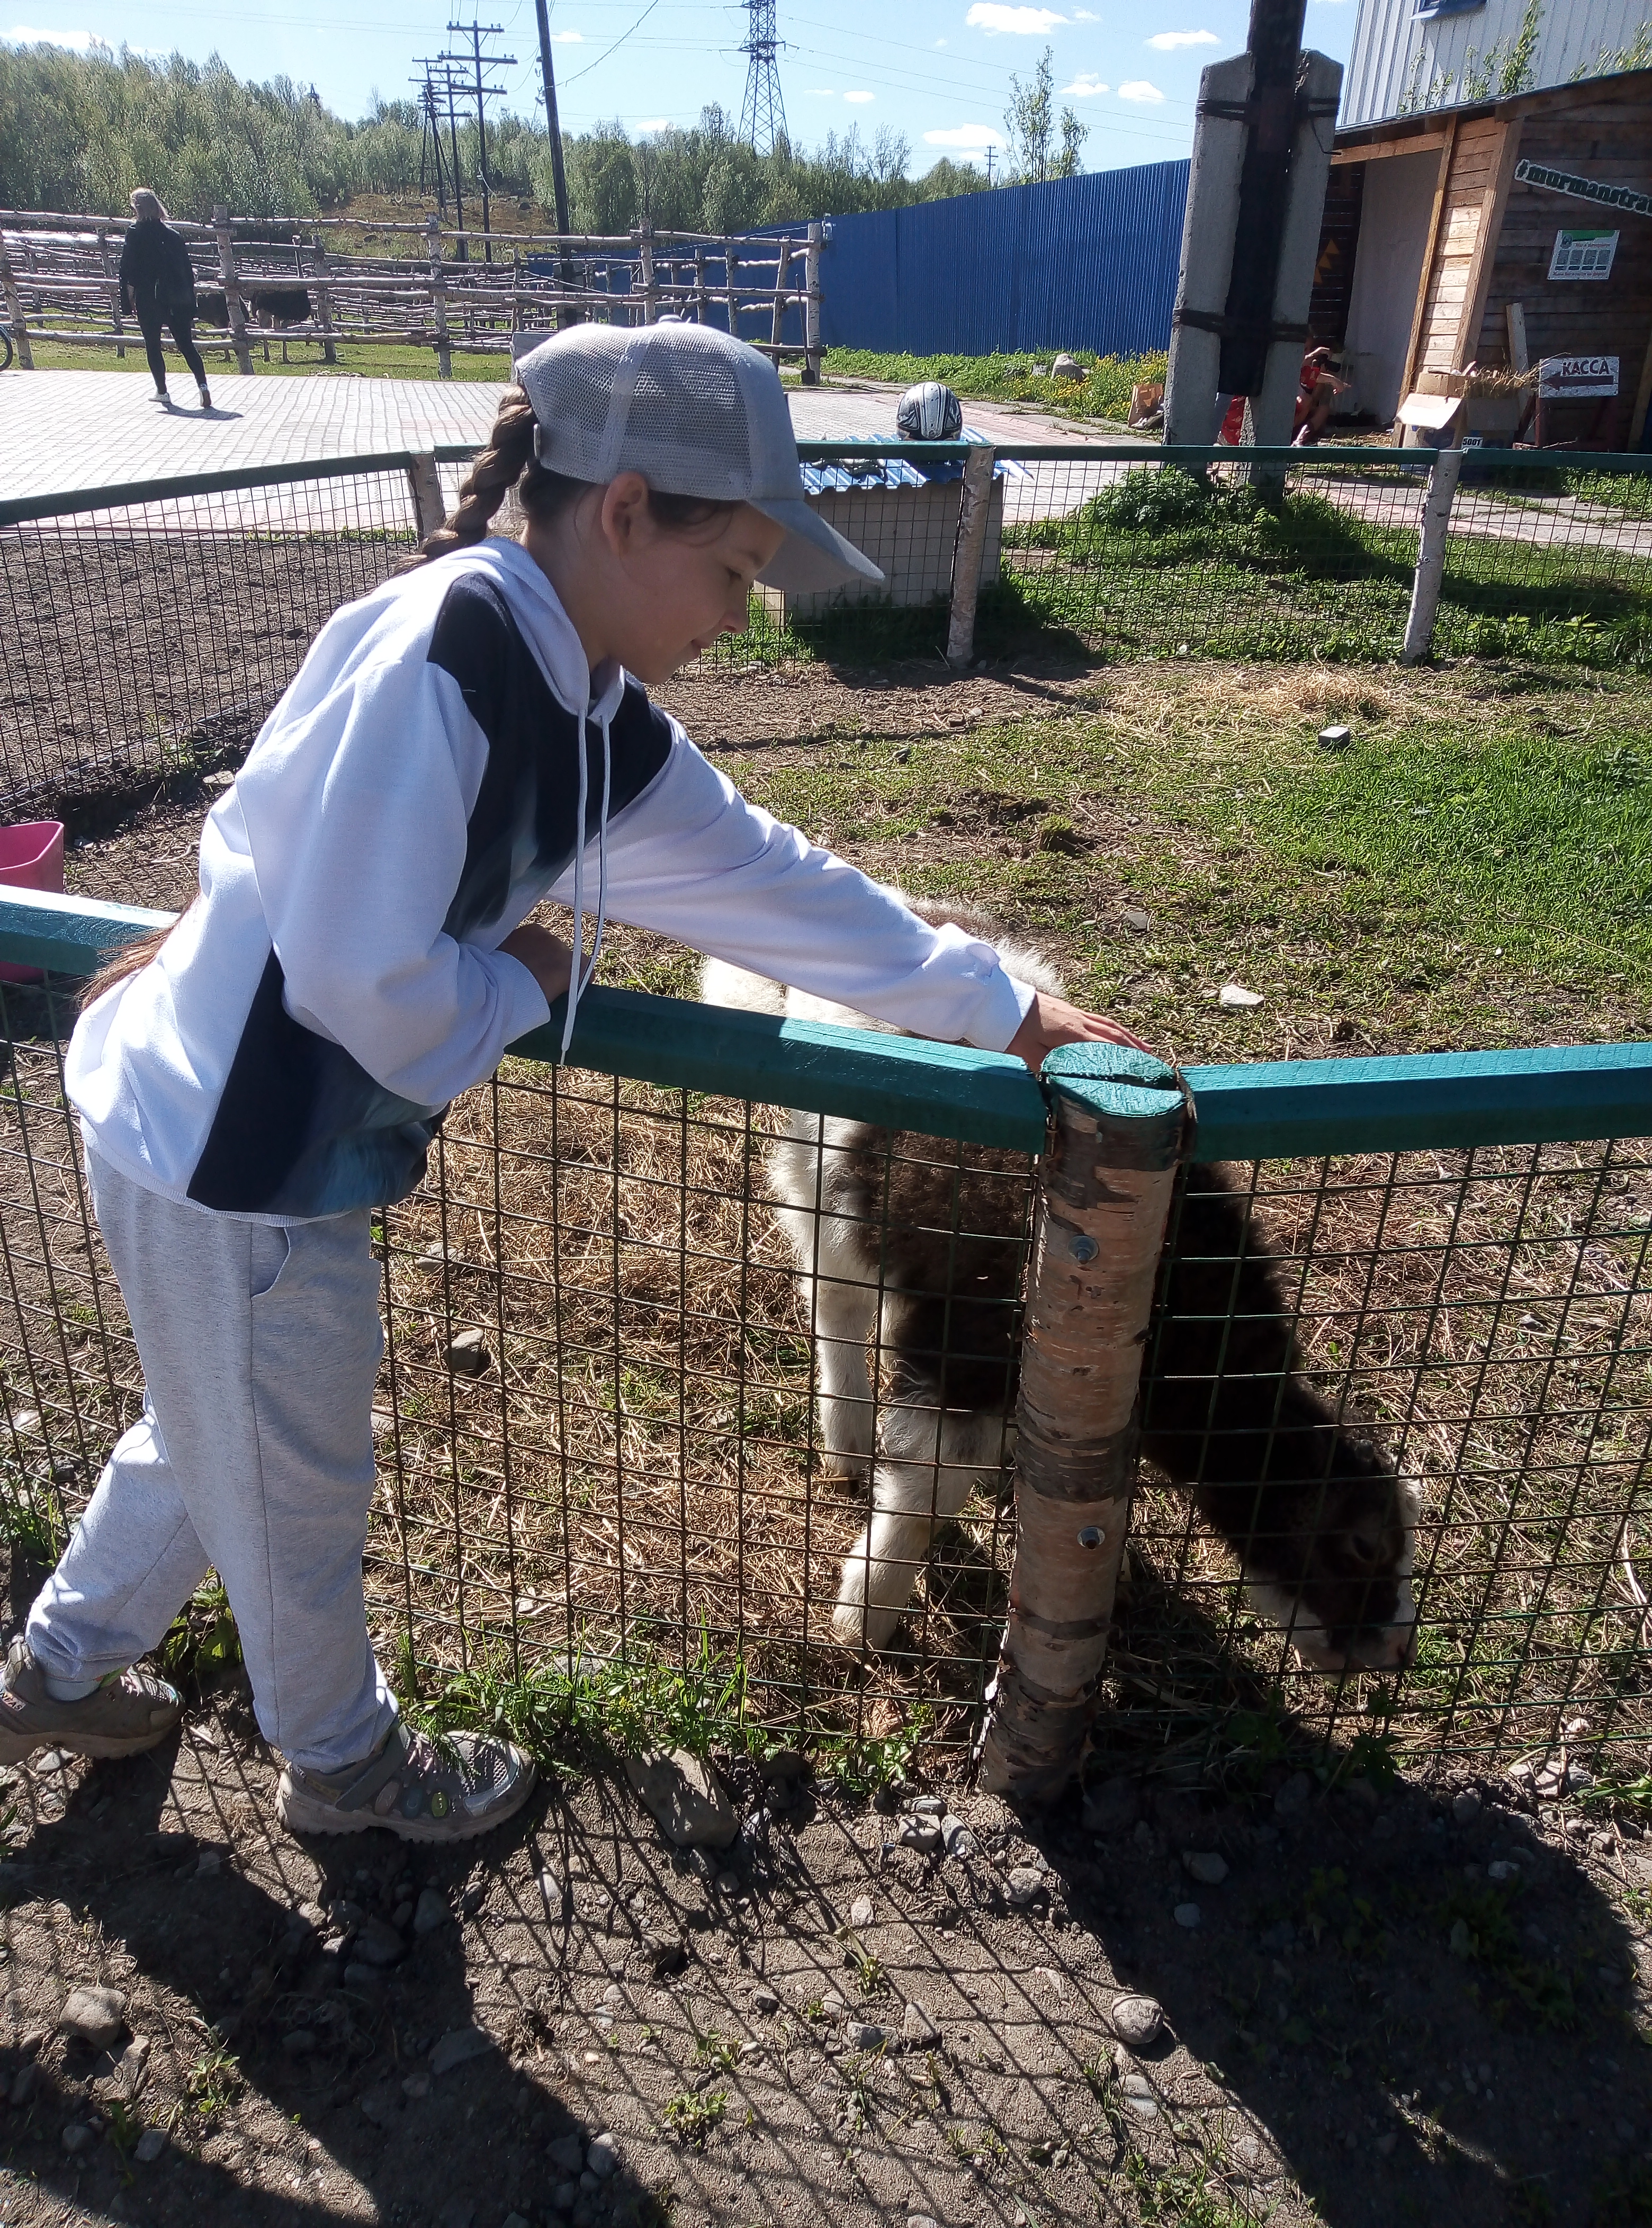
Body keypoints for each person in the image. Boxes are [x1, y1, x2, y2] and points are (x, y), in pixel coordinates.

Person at [0, 324, 1148, 1846]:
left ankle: (56, 1669)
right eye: (735, 568)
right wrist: (522, 984)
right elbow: (360, 979)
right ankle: (346, 1768)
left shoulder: (572, 694)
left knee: (211, 1433)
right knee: (296, 1483)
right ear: (623, 512)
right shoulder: (455, 661)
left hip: (218, 1134)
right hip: (242, 1168)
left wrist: (1013, 1015)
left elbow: (773, 883)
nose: (744, 616)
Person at [118, 190, 211, 411]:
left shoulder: (135, 233)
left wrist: (128, 296)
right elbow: (187, 271)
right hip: (175, 298)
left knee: (153, 345)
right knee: (186, 345)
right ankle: (203, 386)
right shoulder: (173, 236)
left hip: (148, 297)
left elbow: (128, 268)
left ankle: (162, 391)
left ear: (138, 209)